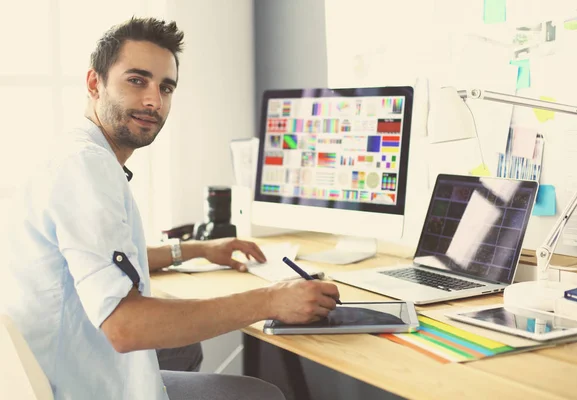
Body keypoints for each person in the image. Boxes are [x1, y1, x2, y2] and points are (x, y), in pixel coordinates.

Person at [0, 17, 340, 400]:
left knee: (183, 348)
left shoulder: (72, 152)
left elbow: (93, 261)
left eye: (166, 87)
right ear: (95, 83)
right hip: (80, 387)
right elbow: (126, 328)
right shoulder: (87, 167)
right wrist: (272, 299)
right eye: (137, 80)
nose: (153, 101)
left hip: (60, 366)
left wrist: (195, 250)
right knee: (262, 395)